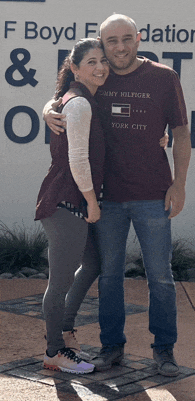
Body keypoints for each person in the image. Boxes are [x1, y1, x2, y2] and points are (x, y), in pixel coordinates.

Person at [43, 14, 191, 376]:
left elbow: (182, 134)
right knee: (109, 276)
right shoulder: (99, 78)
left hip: (153, 193)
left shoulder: (163, 77)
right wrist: (47, 108)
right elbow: (68, 97)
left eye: (127, 38)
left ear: (139, 39)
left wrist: (179, 184)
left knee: (160, 276)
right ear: (102, 45)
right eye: (112, 42)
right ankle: (111, 348)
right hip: (106, 197)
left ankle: (164, 351)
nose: (120, 47)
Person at [35, 38, 109, 374]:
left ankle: (64, 330)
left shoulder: (78, 99)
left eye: (103, 61)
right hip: (65, 203)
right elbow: (77, 159)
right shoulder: (79, 103)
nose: (100, 67)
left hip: (70, 201)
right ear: (75, 68)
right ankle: (54, 351)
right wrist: (92, 202)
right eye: (91, 62)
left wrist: (48, 106)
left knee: (92, 264)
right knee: (61, 280)